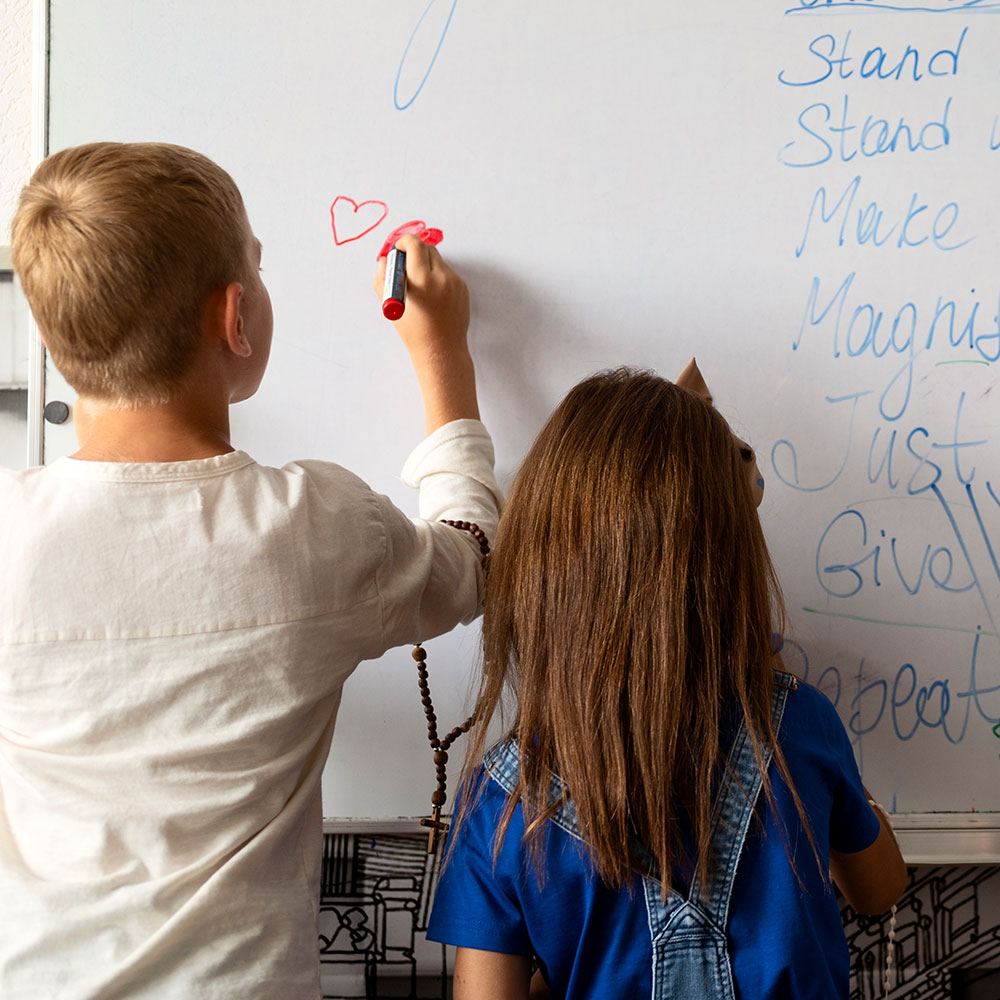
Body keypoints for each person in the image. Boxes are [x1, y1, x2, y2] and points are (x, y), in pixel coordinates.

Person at [1, 141, 501, 999]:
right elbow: (472, 555)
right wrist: (442, 356)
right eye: (259, 270)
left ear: (47, 338)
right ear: (236, 317)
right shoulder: (314, 526)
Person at [426, 366, 907, 999]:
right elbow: (880, 888)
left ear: (542, 572)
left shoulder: (503, 799)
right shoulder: (801, 724)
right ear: (729, 561)